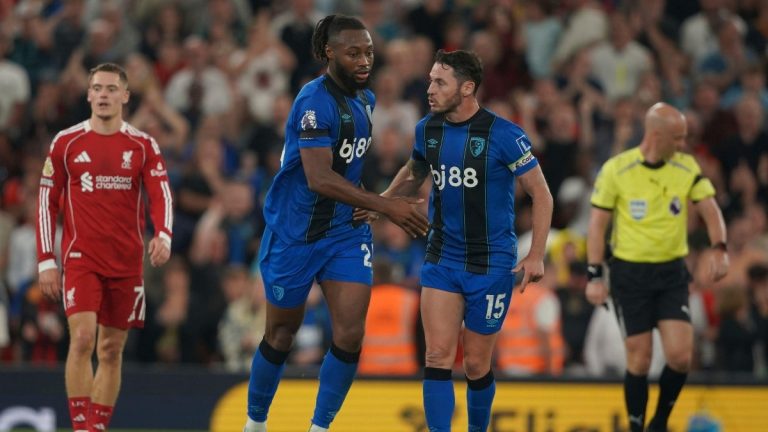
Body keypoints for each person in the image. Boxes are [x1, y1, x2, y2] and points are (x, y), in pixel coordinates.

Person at [242, 15, 429, 432]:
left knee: (349, 335)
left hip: (345, 232)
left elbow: (346, 166)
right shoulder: (313, 102)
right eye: (353, 53)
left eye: (369, 52)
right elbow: (319, 178)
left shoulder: (366, 99)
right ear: (329, 53)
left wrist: (370, 202)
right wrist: (384, 204)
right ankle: (255, 423)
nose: (364, 61)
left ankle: (320, 427)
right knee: (281, 334)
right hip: (295, 232)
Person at [383, 49, 553, 432]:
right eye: (430, 80)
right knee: (437, 355)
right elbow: (415, 169)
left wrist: (536, 254)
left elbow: (541, 194)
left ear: (466, 88)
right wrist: (382, 202)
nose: (430, 89)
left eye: (440, 82)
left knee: (476, 363)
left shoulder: (504, 135)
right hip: (442, 257)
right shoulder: (427, 129)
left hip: (491, 264)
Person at [36, 62, 173, 432]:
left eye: (112, 89)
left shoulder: (143, 145)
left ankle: (96, 427)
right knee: (82, 339)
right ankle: (81, 427)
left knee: (111, 350)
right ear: (88, 95)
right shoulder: (66, 142)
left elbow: (161, 194)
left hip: (126, 263)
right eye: (97, 88)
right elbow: (46, 201)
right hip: (81, 258)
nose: (103, 95)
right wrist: (46, 259)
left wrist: (163, 235)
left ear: (125, 96)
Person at [586, 102, 729, 432]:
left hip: (671, 272)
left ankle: (659, 422)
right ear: (655, 135)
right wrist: (594, 275)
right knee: (640, 359)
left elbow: (710, 209)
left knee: (680, 357)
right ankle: (636, 426)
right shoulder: (617, 169)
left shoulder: (686, 166)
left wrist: (719, 247)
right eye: (677, 138)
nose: (682, 144)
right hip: (629, 274)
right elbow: (596, 226)